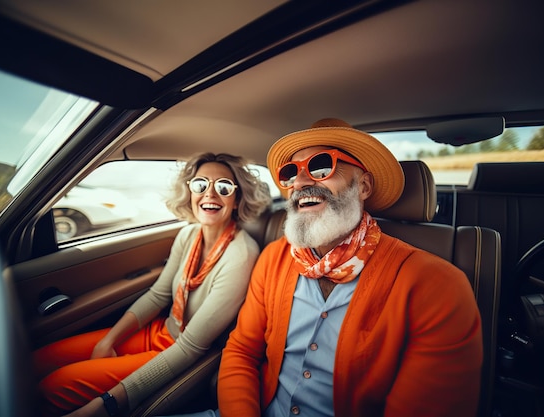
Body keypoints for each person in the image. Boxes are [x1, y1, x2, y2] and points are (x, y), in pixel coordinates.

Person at [167, 118, 483, 417]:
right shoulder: (273, 258)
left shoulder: (436, 286)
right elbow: (242, 351)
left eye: (321, 166)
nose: (301, 182)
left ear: (364, 186)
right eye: (291, 173)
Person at [33, 152, 272, 417]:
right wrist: (109, 340)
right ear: (190, 192)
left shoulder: (241, 256)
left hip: (180, 348)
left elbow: (191, 347)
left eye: (224, 187)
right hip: (160, 330)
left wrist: (106, 404)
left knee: (52, 388)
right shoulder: (188, 234)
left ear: (237, 199)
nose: (210, 194)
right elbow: (158, 295)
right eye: (200, 185)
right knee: (40, 359)